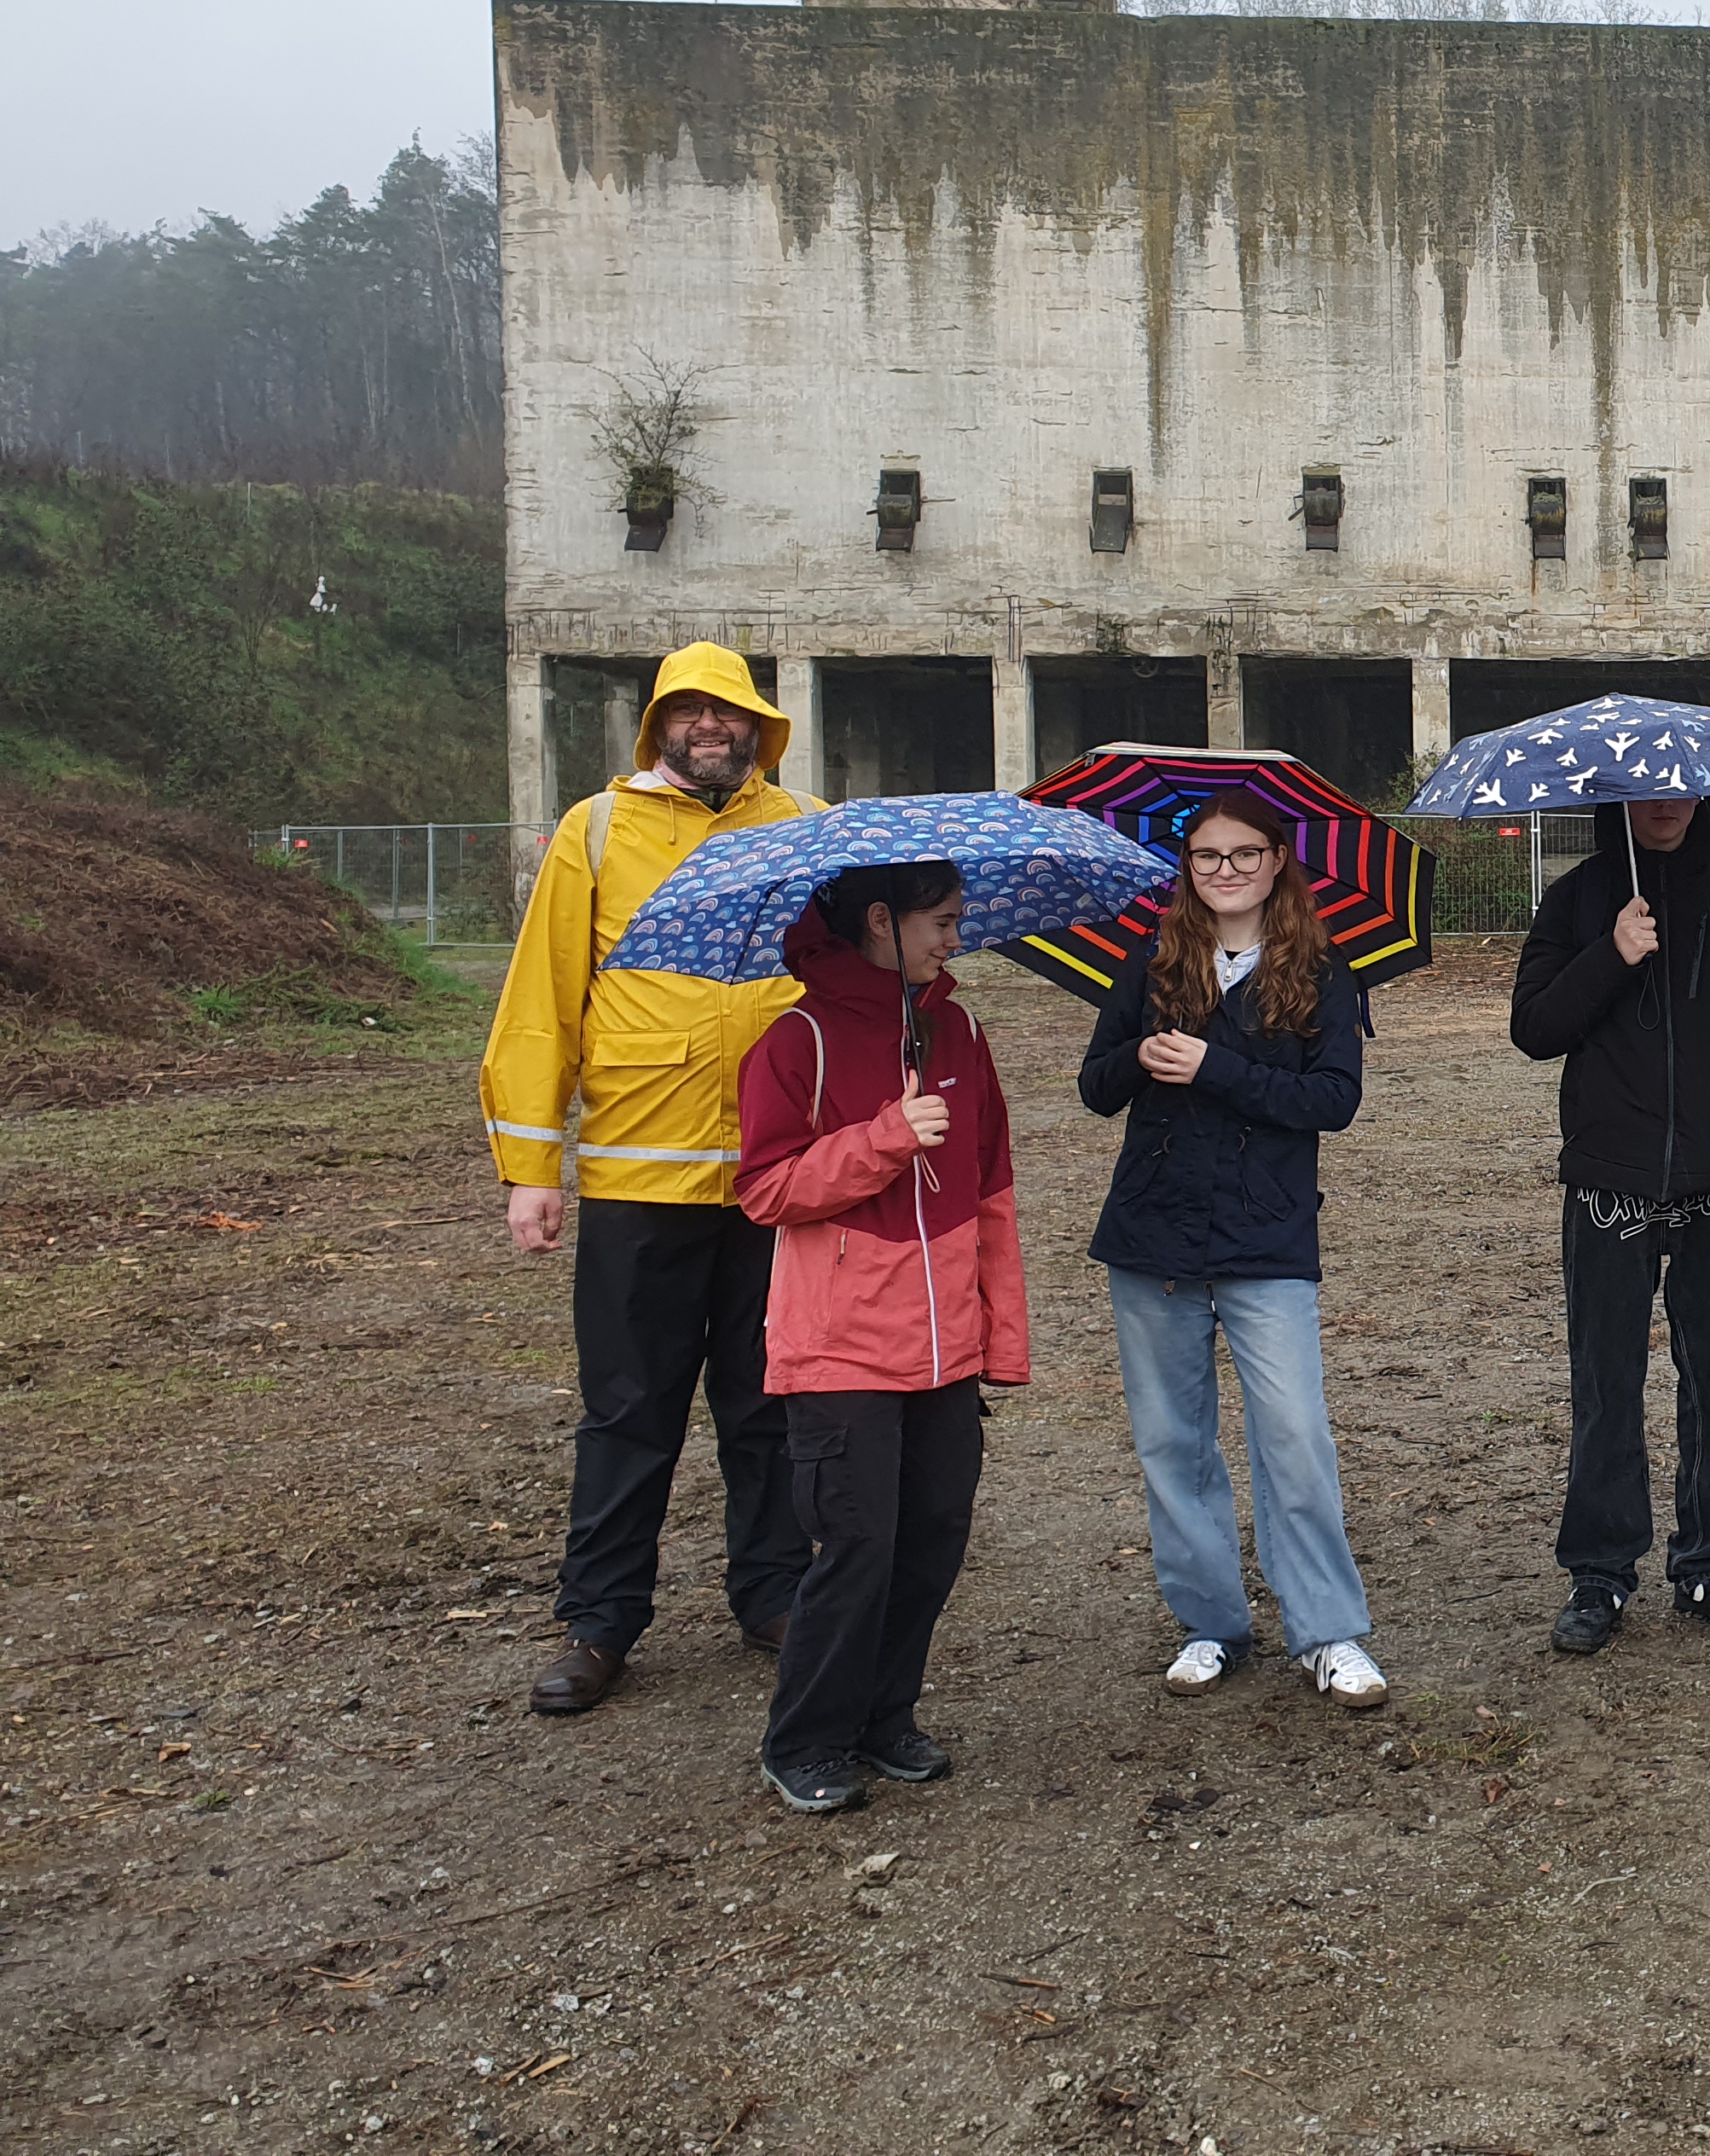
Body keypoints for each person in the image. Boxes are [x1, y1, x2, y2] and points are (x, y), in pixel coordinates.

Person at [484, 644, 823, 1716]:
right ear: (658, 727)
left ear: (758, 727)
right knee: (629, 1410)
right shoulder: (594, 830)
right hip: (640, 1175)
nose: (709, 730)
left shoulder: (805, 828)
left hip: (780, 1177)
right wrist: (532, 1168)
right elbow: (541, 1003)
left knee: (771, 1403)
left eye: (728, 714)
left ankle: (772, 1594)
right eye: (688, 713)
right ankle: (601, 1621)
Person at [1081, 791, 1389, 1711]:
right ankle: (1210, 1622)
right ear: (1189, 868)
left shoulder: (1324, 974)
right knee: (1174, 1443)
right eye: (1209, 857)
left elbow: (1332, 1101)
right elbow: (1096, 1087)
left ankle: (1329, 1633)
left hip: (1267, 1235)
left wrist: (1217, 1067)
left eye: (1244, 854)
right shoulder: (1152, 961)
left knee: (1294, 1437)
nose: (1227, 872)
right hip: (1154, 1234)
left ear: (1277, 861)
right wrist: (1141, 1056)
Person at [733, 864, 1027, 1812]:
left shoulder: (961, 1031)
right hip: (841, 1346)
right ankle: (807, 1738)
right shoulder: (796, 1041)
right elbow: (767, 1191)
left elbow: (991, 1194)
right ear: (877, 921)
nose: (954, 939)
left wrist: (999, 1337)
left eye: (957, 921)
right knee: (856, 1544)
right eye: (940, 923)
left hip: (946, 1349)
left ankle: (884, 1716)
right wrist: (885, 1136)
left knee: (934, 1534)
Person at [1510, 794, 1710, 1655]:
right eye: (1646, 793)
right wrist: (1609, 954)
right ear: (1619, 799)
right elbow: (1532, 1027)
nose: (1665, 807)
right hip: (1610, 1179)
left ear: (1705, 795)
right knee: (1606, 1377)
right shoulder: (1577, 898)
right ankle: (1601, 1573)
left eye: (1681, 791)